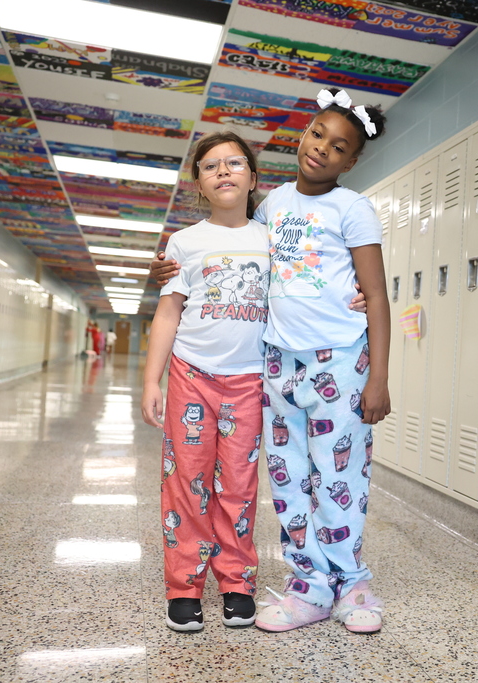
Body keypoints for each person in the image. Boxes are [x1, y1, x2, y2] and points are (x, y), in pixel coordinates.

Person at [150, 87, 392, 634]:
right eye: (317, 134)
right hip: (277, 365)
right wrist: (165, 270)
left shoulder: (352, 208)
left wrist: (379, 376)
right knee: (287, 480)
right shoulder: (273, 205)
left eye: (339, 146)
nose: (323, 149)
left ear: (351, 160)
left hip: (339, 362)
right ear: (302, 135)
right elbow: (223, 249)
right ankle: (308, 584)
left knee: (338, 477)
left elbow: (375, 294)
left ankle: (351, 584)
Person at [141, 131, 269, 633]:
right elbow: (169, 314)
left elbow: (303, 291)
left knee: (238, 485)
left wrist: (355, 300)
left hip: (250, 381)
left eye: (234, 163)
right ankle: (184, 587)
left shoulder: (269, 237)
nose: (223, 171)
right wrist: (152, 381)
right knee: (186, 482)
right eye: (210, 165)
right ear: (199, 182)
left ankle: (236, 583)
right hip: (191, 375)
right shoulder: (185, 242)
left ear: (253, 178)